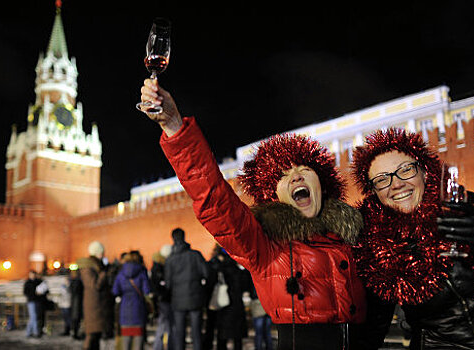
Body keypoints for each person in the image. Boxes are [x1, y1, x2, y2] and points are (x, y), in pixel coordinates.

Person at [139, 79, 365, 350]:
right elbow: (214, 199)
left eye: (303, 170)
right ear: (274, 196)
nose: (295, 177)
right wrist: (175, 128)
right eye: (283, 176)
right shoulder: (264, 247)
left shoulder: (354, 235)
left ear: (321, 182)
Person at [349, 128, 474, 349]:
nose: (396, 184)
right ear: (373, 191)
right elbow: (374, 323)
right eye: (381, 179)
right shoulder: (376, 244)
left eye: (405, 170)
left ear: (424, 172)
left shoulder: (470, 207)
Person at [164, 228, 209, 350]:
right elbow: (207, 274)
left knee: (179, 333)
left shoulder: (170, 260)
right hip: (195, 298)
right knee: (196, 333)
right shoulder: (195, 255)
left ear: (173, 238)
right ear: (184, 237)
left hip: (178, 301)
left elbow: (168, 284)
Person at [112, 251, 152, 350]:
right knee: (138, 344)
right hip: (138, 309)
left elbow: (115, 290)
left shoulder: (121, 274)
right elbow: (147, 290)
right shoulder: (142, 272)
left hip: (125, 311)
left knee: (126, 344)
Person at [77, 241, 112, 350]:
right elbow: (95, 285)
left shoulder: (95, 265)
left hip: (98, 305)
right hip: (93, 306)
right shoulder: (87, 267)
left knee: (96, 335)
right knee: (91, 335)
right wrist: (104, 273)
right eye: (102, 252)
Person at [213, 249, 250, 350]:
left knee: (222, 335)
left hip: (223, 304)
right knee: (237, 336)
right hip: (237, 305)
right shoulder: (239, 271)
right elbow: (246, 286)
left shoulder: (220, 270)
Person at [151, 245, 174, 350]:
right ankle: (162, 346)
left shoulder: (156, 265)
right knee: (166, 324)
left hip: (161, 299)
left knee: (164, 324)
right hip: (164, 299)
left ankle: (160, 346)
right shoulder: (161, 267)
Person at [23, 270, 41, 338]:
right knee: (34, 316)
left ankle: (28, 332)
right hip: (31, 301)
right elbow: (25, 292)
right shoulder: (27, 282)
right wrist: (33, 294)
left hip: (37, 301)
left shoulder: (38, 282)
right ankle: (35, 332)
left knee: (33, 317)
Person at [69, 268, 84, 340]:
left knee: (75, 319)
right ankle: (75, 333)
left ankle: (75, 333)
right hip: (77, 303)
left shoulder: (73, 281)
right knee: (76, 319)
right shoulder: (78, 281)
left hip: (75, 303)